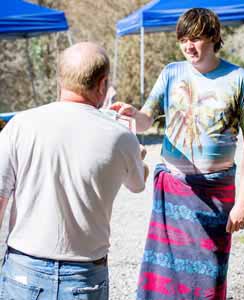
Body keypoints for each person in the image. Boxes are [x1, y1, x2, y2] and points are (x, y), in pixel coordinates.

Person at [110, 8, 244, 300]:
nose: (188, 46)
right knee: (165, 272)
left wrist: (243, 202)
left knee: (209, 275)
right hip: (173, 189)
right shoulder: (171, 72)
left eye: (196, 39)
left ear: (214, 37)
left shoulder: (239, 79)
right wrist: (133, 113)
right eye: (183, 40)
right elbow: (147, 118)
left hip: (216, 193)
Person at [0, 42, 149, 300]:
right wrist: (141, 161)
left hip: (24, 268)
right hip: (84, 273)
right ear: (102, 85)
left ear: (60, 79)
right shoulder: (121, 137)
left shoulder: (19, 126)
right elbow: (137, 185)